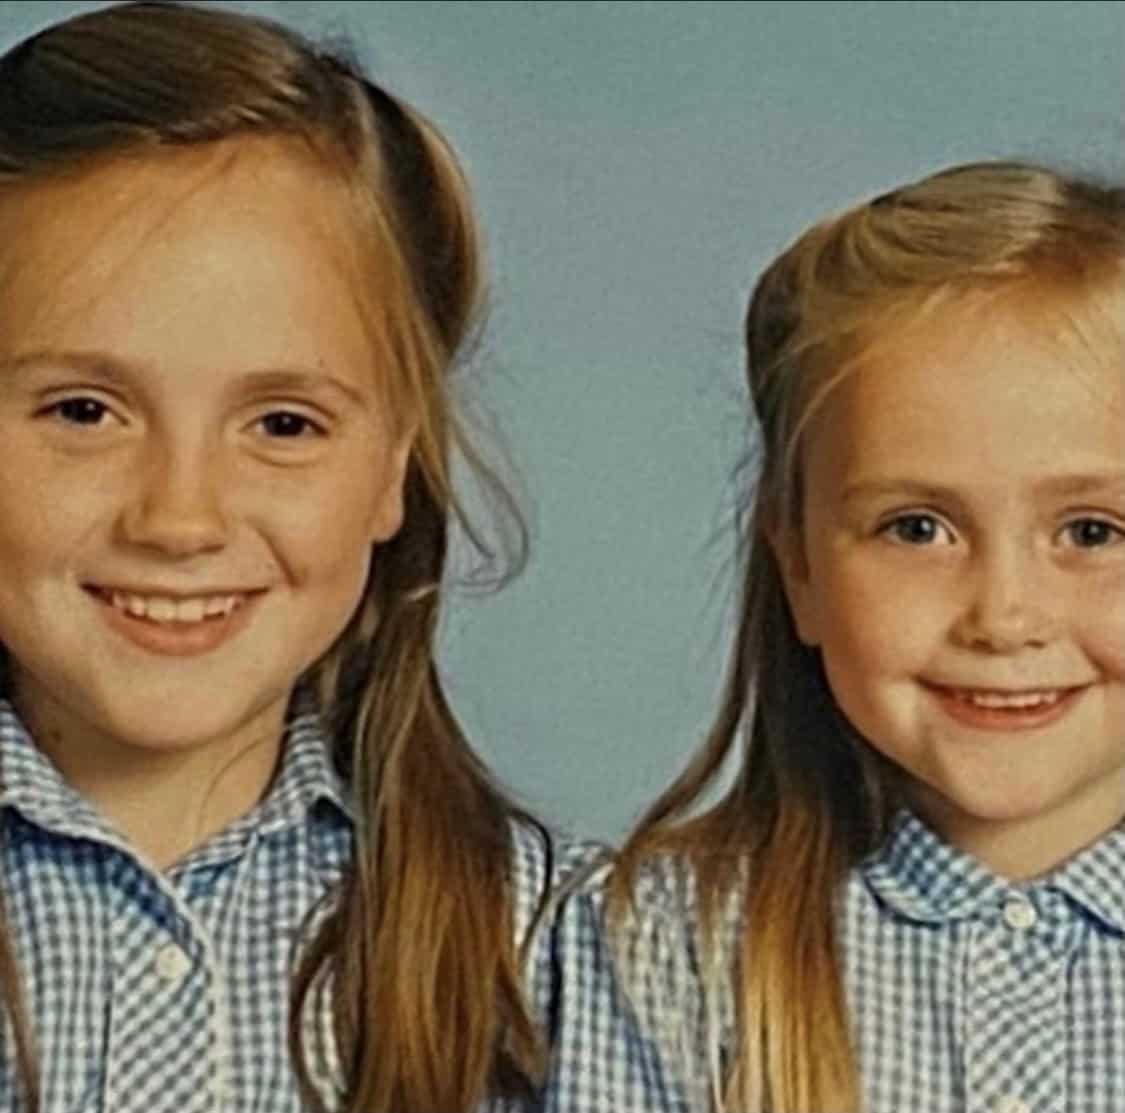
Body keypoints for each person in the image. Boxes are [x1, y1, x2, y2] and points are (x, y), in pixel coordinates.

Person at [0, 3, 637, 1111]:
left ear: (394, 467)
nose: (180, 519)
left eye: (283, 424)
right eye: (85, 410)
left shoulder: (556, 950)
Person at [611, 161, 1125, 1113]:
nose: (1003, 616)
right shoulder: (663, 947)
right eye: (916, 528)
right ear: (798, 568)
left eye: (1091, 532)